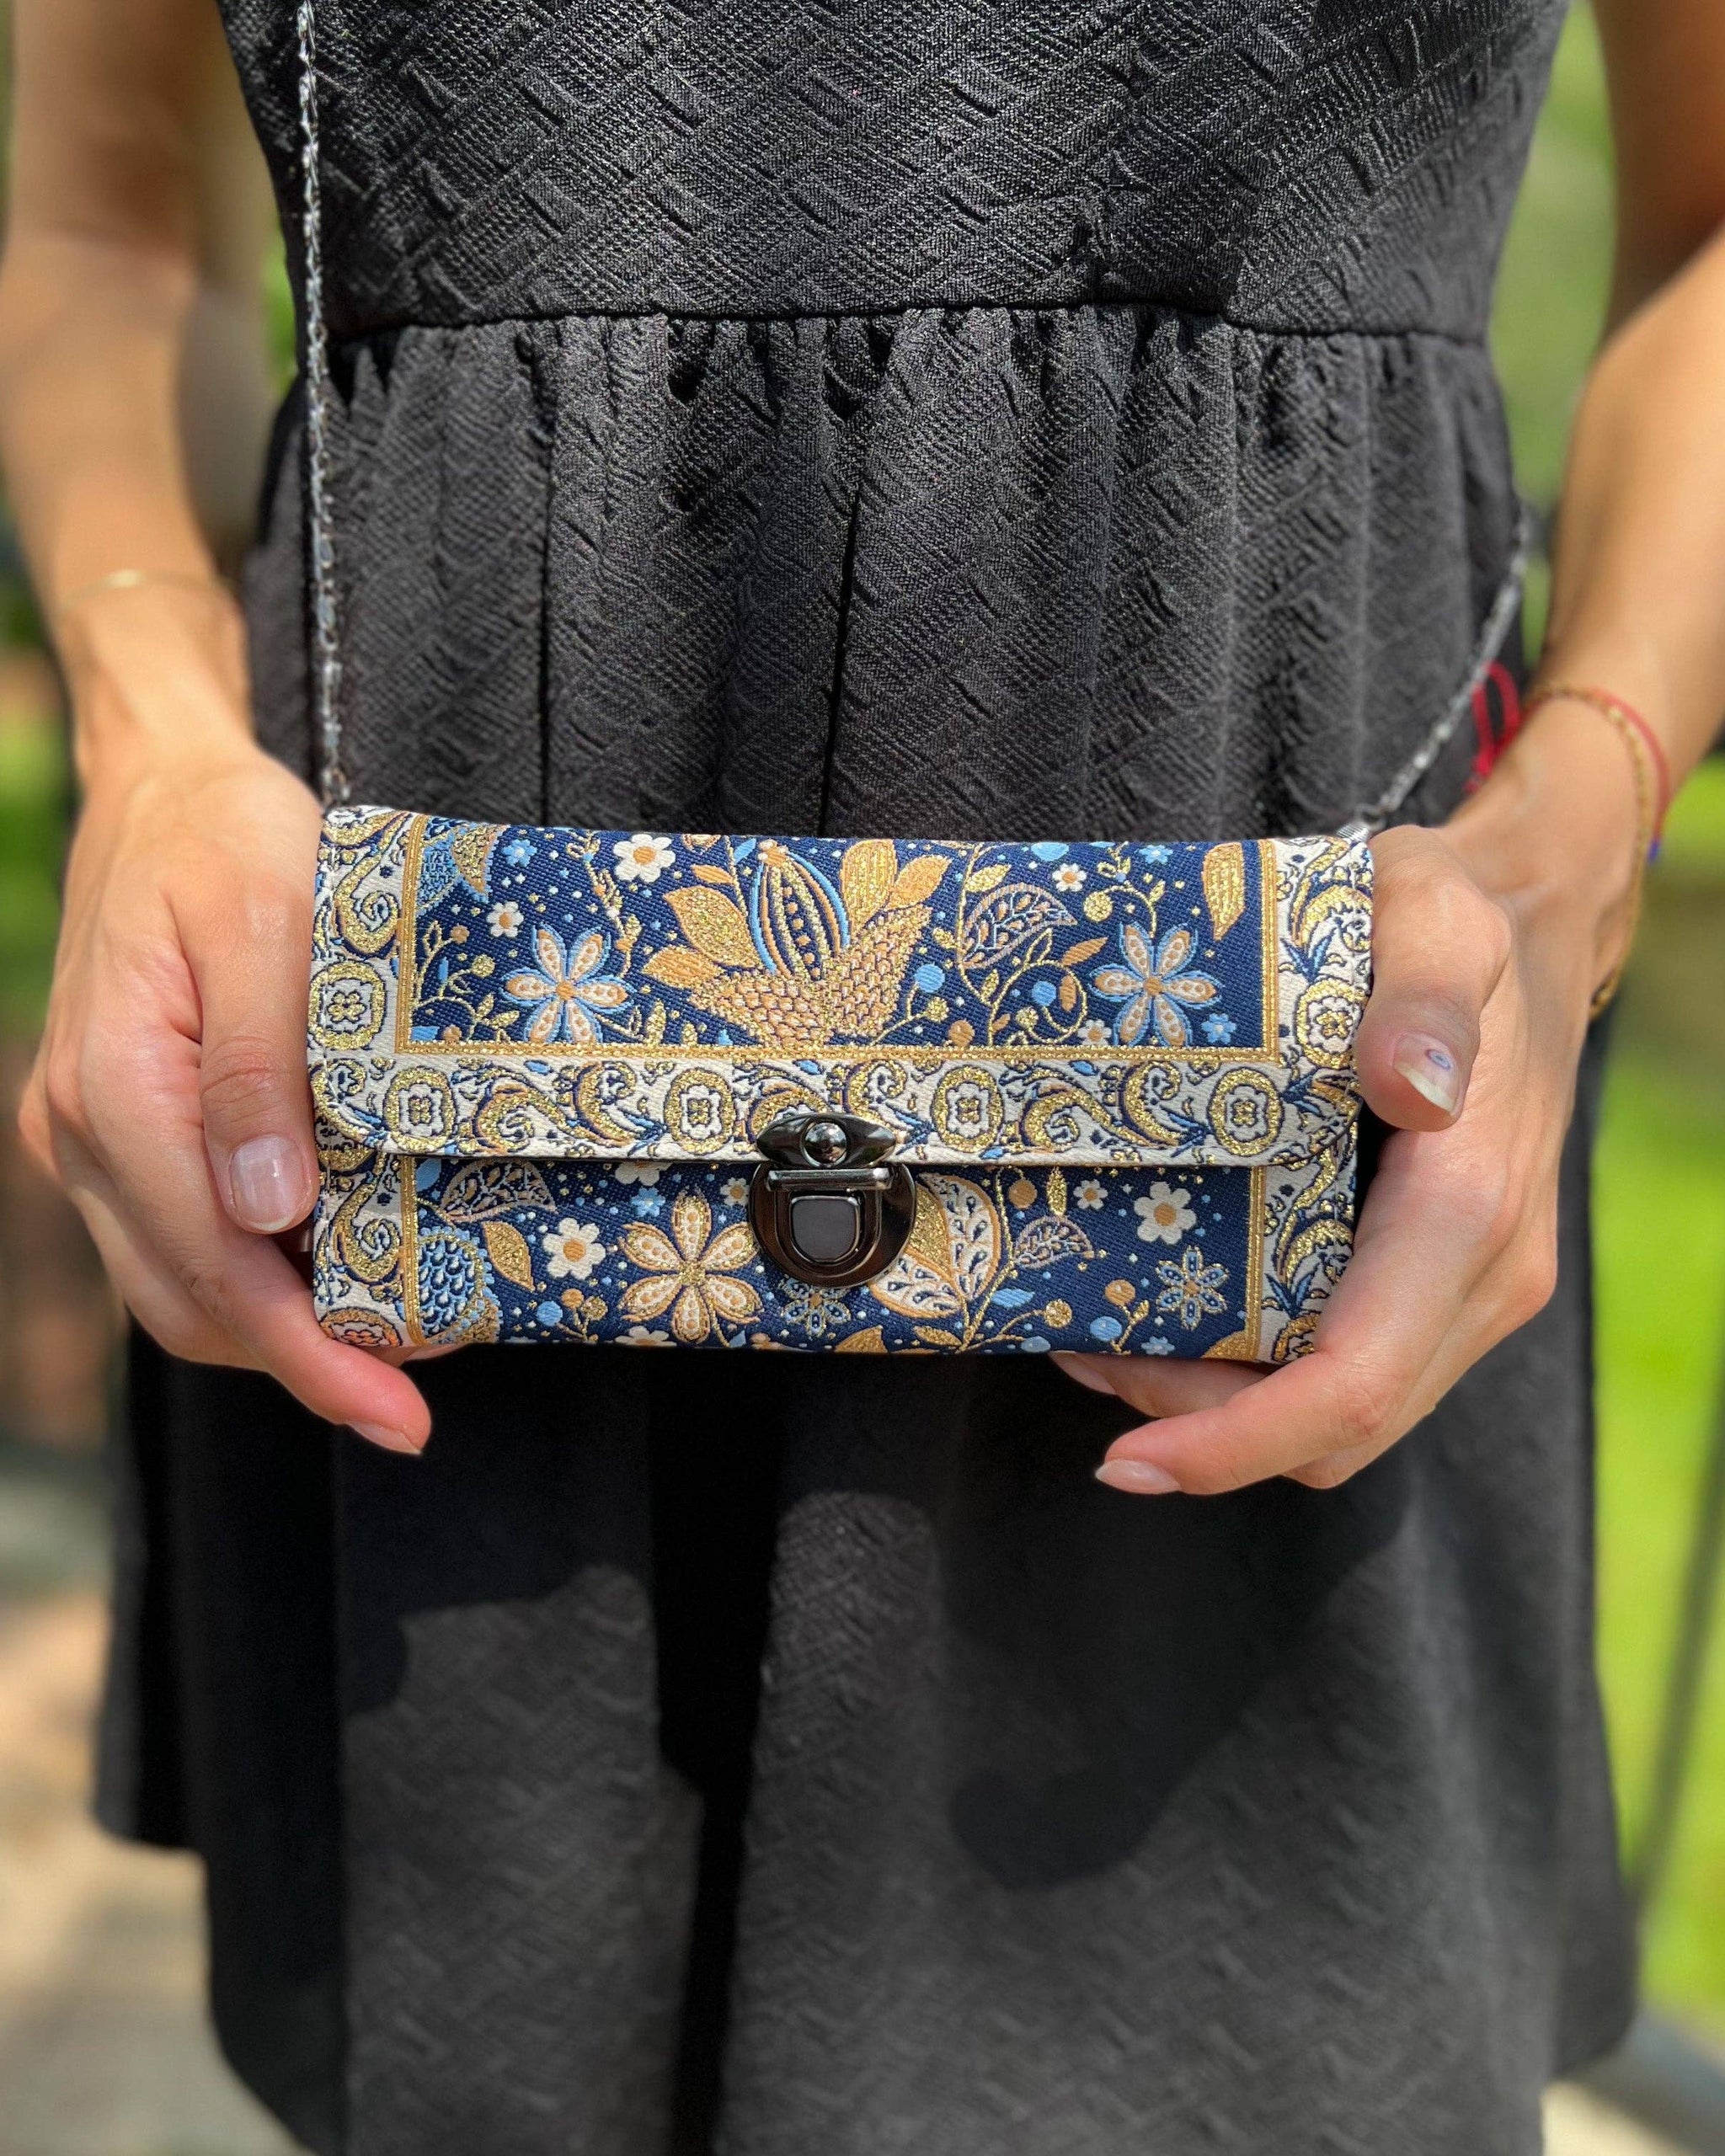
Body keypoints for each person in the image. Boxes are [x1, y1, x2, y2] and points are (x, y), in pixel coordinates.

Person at [3, 1, 1723, 2149]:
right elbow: (103, 218)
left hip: (1311, 1116)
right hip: (412, 1107)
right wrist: (148, 732)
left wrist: (1584, 816)